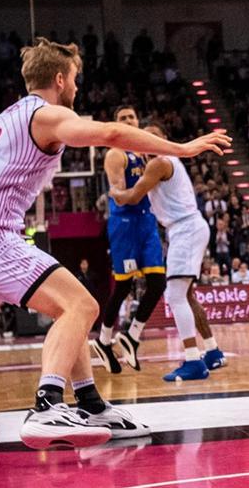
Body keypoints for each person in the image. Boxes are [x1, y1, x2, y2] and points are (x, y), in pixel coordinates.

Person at [0, 38, 230, 449]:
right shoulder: (48, 116)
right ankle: (46, 406)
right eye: (76, 80)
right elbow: (113, 132)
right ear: (60, 79)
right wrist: (181, 149)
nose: (78, 89)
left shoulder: (7, 117)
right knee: (84, 307)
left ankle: (90, 403)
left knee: (75, 306)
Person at [109, 123, 229, 381]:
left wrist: (115, 192)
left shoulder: (158, 163)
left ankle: (193, 361)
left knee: (175, 296)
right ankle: (212, 350)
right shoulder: (167, 160)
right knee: (187, 295)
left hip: (185, 229)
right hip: (189, 227)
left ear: (164, 139)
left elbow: (132, 196)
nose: (148, 141)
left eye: (154, 137)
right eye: (145, 138)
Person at [92, 106, 169, 375]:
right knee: (123, 287)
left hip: (146, 222)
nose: (128, 121)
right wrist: (117, 192)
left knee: (158, 283)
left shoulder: (145, 153)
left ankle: (132, 335)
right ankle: (103, 339)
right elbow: (116, 188)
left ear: (138, 121)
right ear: (116, 124)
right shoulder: (116, 153)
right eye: (123, 119)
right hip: (124, 223)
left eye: (132, 117)